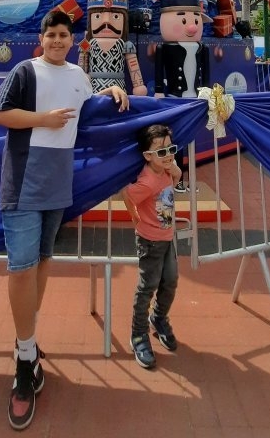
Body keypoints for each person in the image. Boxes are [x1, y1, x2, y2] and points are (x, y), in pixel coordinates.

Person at [0, 9, 129, 431]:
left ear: (73, 40)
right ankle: (24, 356)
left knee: (45, 259)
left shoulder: (78, 75)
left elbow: (87, 109)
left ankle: (27, 346)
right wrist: (41, 120)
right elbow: (1, 114)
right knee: (21, 266)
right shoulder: (24, 70)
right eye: (50, 34)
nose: (56, 41)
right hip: (23, 175)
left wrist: (112, 91)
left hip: (58, 178)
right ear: (42, 37)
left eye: (63, 35)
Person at [122, 123, 182, 370]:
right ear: (147, 156)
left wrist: (172, 165)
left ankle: (158, 318)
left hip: (168, 237)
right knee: (147, 286)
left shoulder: (167, 171)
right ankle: (138, 334)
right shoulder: (147, 182)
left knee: (170, 281)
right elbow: (127, 194)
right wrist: (134, 216)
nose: (167, 155)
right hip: (150, 241)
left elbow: (176, 175)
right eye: (161, 152)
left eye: (171, 149)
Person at [154, 0, 210, 192]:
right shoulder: (164, 48)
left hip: (195, 99)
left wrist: (207, 92)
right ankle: (174, 181)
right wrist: (159, 90)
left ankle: (185, 179)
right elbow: (159, 72)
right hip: (173, 100)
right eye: (184, 19)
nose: (192, 26)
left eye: (196, 19)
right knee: (174, 142)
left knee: (191, 141)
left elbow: (206, 74)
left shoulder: (202, 48)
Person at [78, 0, 147, 96]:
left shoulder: (126, 45)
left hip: (119, 89)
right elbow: (82, 66)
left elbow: (133, 67)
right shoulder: (86, 43)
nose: (106, 22)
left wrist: (139, 85)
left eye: (115, 16)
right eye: (98, 16)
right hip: (93, 89)